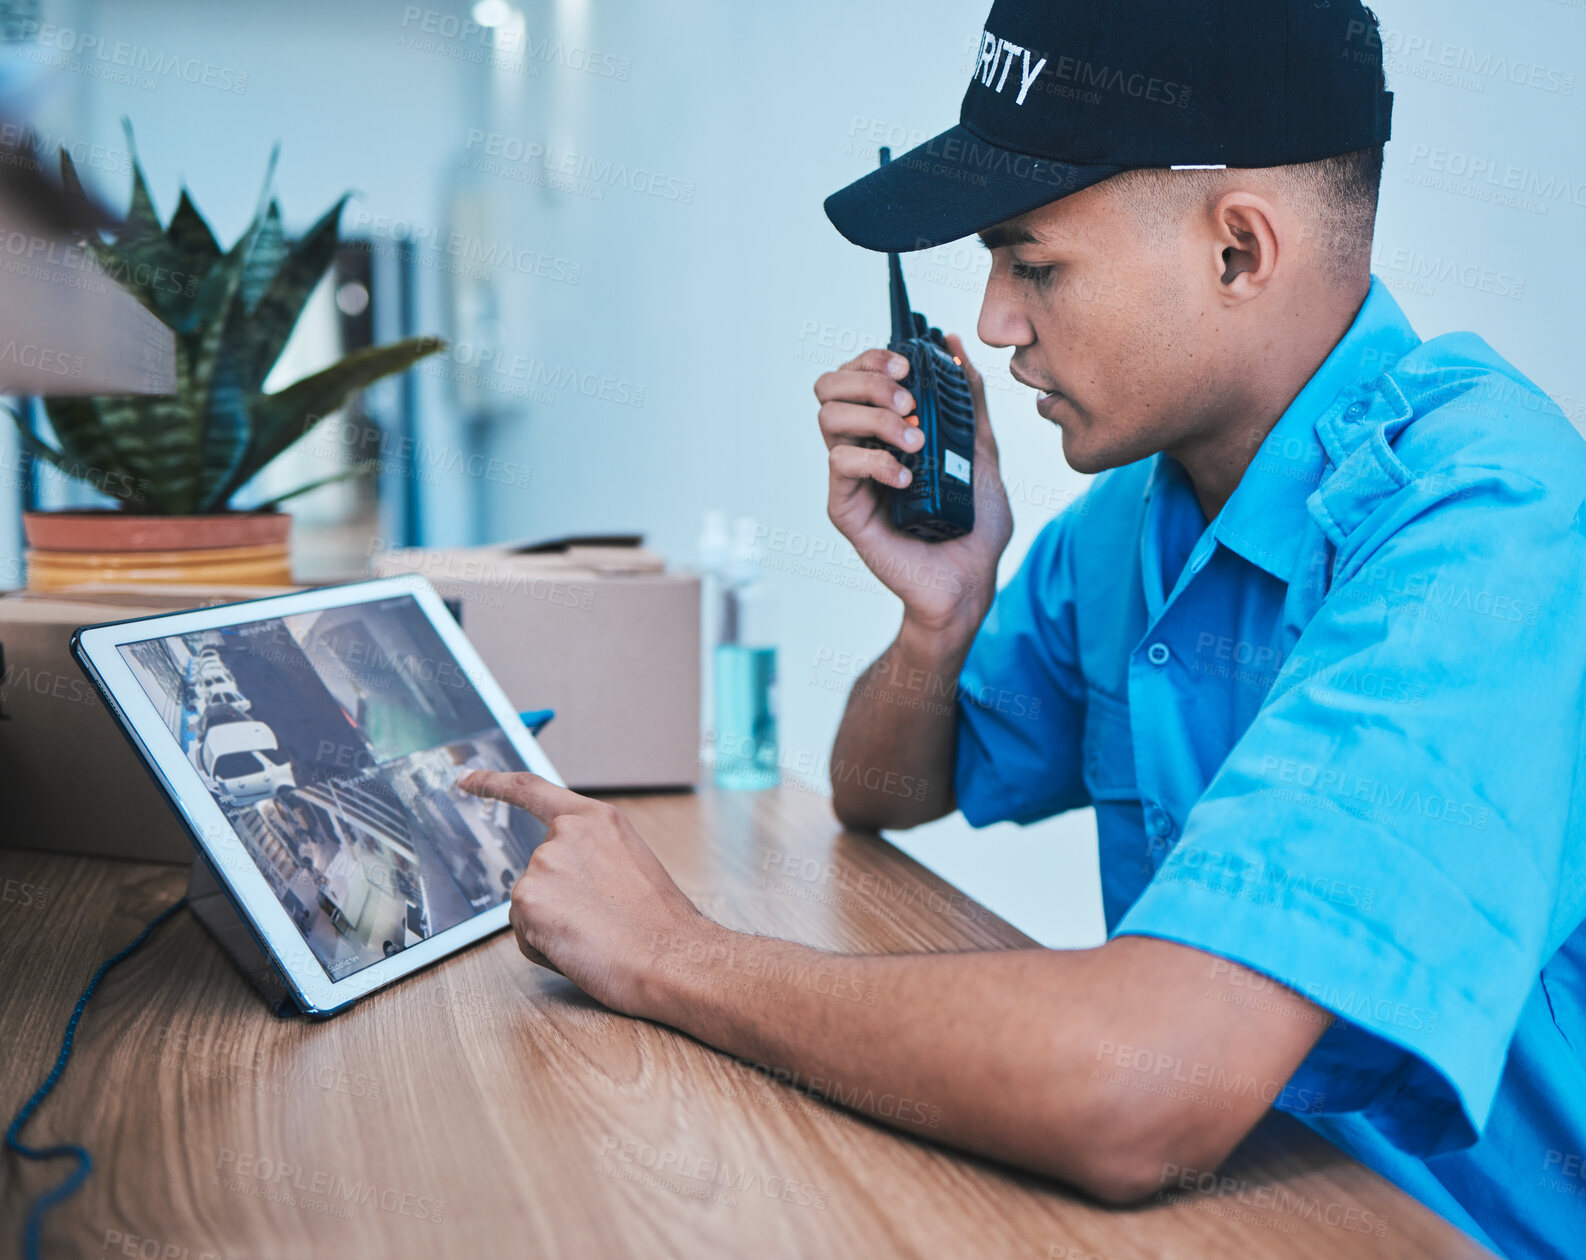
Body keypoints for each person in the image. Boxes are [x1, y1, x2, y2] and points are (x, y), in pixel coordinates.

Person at [460, 3, 1586, 1256]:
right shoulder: (1132, 519)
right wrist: (937, 616)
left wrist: (668, 956)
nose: (992, 325)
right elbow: (884, 791)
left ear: (1236, 251)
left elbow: (1138, 1087)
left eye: (1032, 264)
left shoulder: (1490, 519)